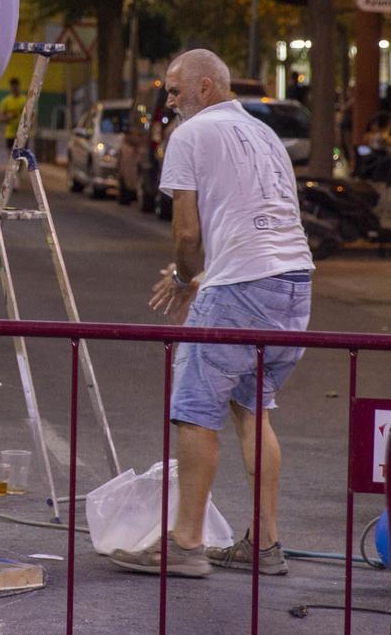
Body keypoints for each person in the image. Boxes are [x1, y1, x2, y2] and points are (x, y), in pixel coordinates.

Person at [111, 48, 314, 579]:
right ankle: (266, 544)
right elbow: (261, 221)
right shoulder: (265, 135)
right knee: (254, 407)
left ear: (205, 88)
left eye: (176, 91)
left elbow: (186, 233)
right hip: (293, 283)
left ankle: (185, 545)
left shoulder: (191, 135)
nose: (170, 101)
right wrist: (211, 276)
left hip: (242, 286)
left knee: (195, 410)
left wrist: (183, 278)